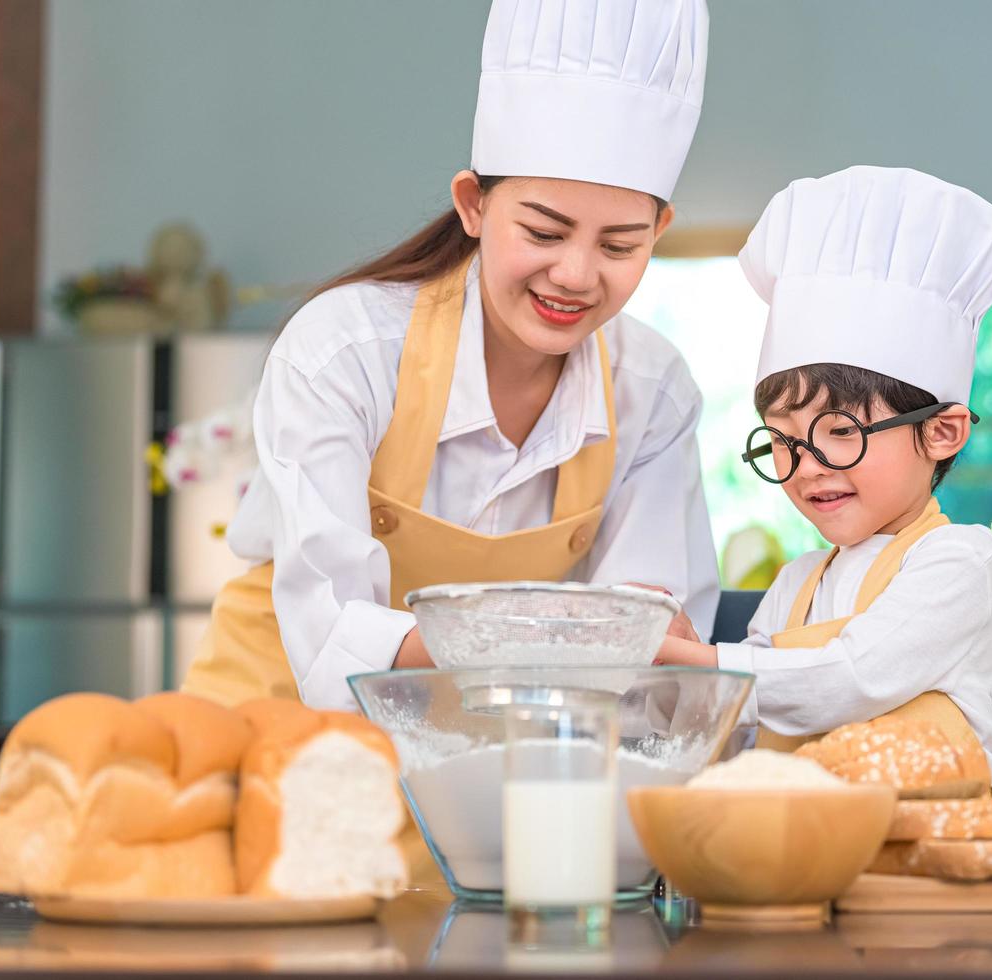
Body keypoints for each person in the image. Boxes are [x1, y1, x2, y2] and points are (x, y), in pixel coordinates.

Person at [182, 0, 718, 710]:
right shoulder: (346, 350)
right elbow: (329, 632)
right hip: (271, 734)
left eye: (619, 245)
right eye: (544, 232)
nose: (576, 275)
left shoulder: (652, 391)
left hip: (482, 756)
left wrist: (636, 646)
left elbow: (648, 659)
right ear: (472, 205)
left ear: (659, 231)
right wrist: (561, 634)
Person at [656, 166, 992, 796]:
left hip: (934, 864)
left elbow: (851, 678)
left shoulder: (957, 559)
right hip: (811, 855)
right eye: (784, 442)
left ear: (942, 433)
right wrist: (678, 668)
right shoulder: (797, 583)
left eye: (841, 432)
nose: (809, 468)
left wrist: (704, 662)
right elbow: (747, 729)